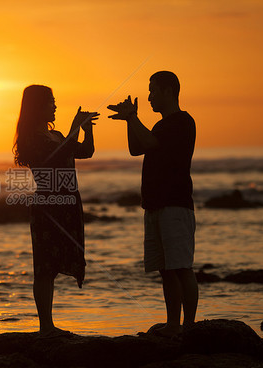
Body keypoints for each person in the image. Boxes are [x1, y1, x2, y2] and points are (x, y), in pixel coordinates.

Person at [108, 71, 198, 338]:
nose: (149, 97)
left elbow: (147, 142)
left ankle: (189, 326)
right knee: (165, 269)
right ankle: (173, 324)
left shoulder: (182, 121)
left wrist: (133, 117)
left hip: (175, 204)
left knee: (181, 266)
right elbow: (137, 148)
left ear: (169, 91)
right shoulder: (160, 125)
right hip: (155, 204)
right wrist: (128, 120)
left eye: (153, 90)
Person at [13, 84, 99, 337]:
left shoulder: (58, 135)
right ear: (38, 106)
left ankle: (48, 325)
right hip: (48, 206)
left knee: (56, 260)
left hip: (69, 203)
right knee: (45, 267)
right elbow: (57, 157)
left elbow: (86, 151)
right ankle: (46, 326)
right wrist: (74, 126)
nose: (55, 106)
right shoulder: (32, 139)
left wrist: (87, 129)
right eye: (51, 102)